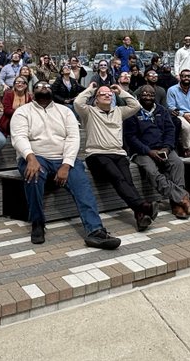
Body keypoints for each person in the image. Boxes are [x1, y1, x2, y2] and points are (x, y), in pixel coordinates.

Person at [10, 79, 122, 249]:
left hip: (63, 158)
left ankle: (95, 231)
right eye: (39, 86)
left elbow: (73, 137)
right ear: (33, 92)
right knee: (33, 176)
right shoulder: (22, 112)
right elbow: (19, 137)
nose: (44, 88)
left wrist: (67, 164)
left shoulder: (65, 111)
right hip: (35, 156)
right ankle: (38, 223)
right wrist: (30, 158)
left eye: (47, 86)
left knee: (82, 183)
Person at [74, 80, 155, 232]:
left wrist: (121, 92)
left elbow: (136, 106)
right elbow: (78, 102)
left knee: (128, 181)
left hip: (118, 153)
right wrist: (91, 89)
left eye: (109, 94)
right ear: (96, 98)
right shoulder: (89, 112)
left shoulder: (118, 111)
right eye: (102, 94)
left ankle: (140, 214)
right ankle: (142, 205)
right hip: (97, 154)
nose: (106, 95)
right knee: (117, 177)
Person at [123, 84, 190, 218]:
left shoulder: (162, 110)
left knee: (177, 163)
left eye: (151, 94)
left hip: (163, 148)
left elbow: (170, 130)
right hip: (142, 152)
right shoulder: (132, 112)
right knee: (151, 171)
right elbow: (131, 137)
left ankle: (176, 203)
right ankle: (182, 197)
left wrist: (167, 147)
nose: (148, 97)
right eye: (145, 94)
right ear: (139, 96)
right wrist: (149, 152)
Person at [166, 69, 190, 157]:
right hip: (179, 115)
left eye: (189, 76)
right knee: (186, 126)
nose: (187, 78)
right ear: (180, 77)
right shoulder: (172, 90)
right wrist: (184, 115)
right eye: (184, 76)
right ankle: (187, 149)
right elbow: (171, 107)